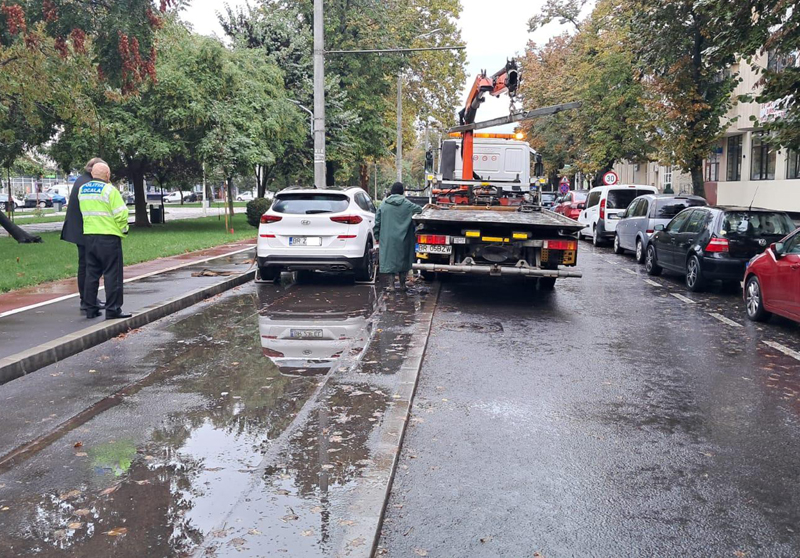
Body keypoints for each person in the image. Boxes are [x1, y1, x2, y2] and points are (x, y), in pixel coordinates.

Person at [78, 162, 131, 320]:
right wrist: (124, 229)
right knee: (112, 274)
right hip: (109, 237)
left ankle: (90, 309)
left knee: (91, 274)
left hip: (89, 236)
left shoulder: (83, 190)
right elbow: (121, 214)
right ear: (107, 175)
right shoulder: (110, 190)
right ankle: (113, 309)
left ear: (92, 174)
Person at [61, 158, 106, 314]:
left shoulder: (82, 181)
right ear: (93, 169)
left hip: (79, 229)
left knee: (85, 265)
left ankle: (88, 299)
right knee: (89, 266)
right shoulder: (87, 184)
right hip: (84, 230)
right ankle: (88, 300)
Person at [374, 182, 422, 291]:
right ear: (402, 192)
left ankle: (391, 286)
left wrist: (377, 236)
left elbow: (377, 222)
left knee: (389, 260)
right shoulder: (407, 204)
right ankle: (402, 285)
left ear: (391, 192)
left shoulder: (383, 204)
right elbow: (419, 210)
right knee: (403, 260)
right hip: (404, 238)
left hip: (387, 239)